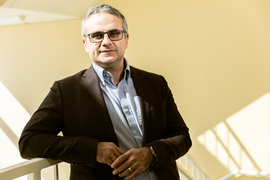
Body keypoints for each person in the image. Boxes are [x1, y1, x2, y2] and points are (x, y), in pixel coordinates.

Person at [19, 4, 192, 180]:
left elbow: (182, 137)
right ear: (85, 44)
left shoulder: (156, 83)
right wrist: (93, 150)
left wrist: (151, 153)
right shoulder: (66, 91)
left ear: (126, 39)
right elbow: (29, 142)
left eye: (114, 33)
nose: (106, 41)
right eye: (97, 36)